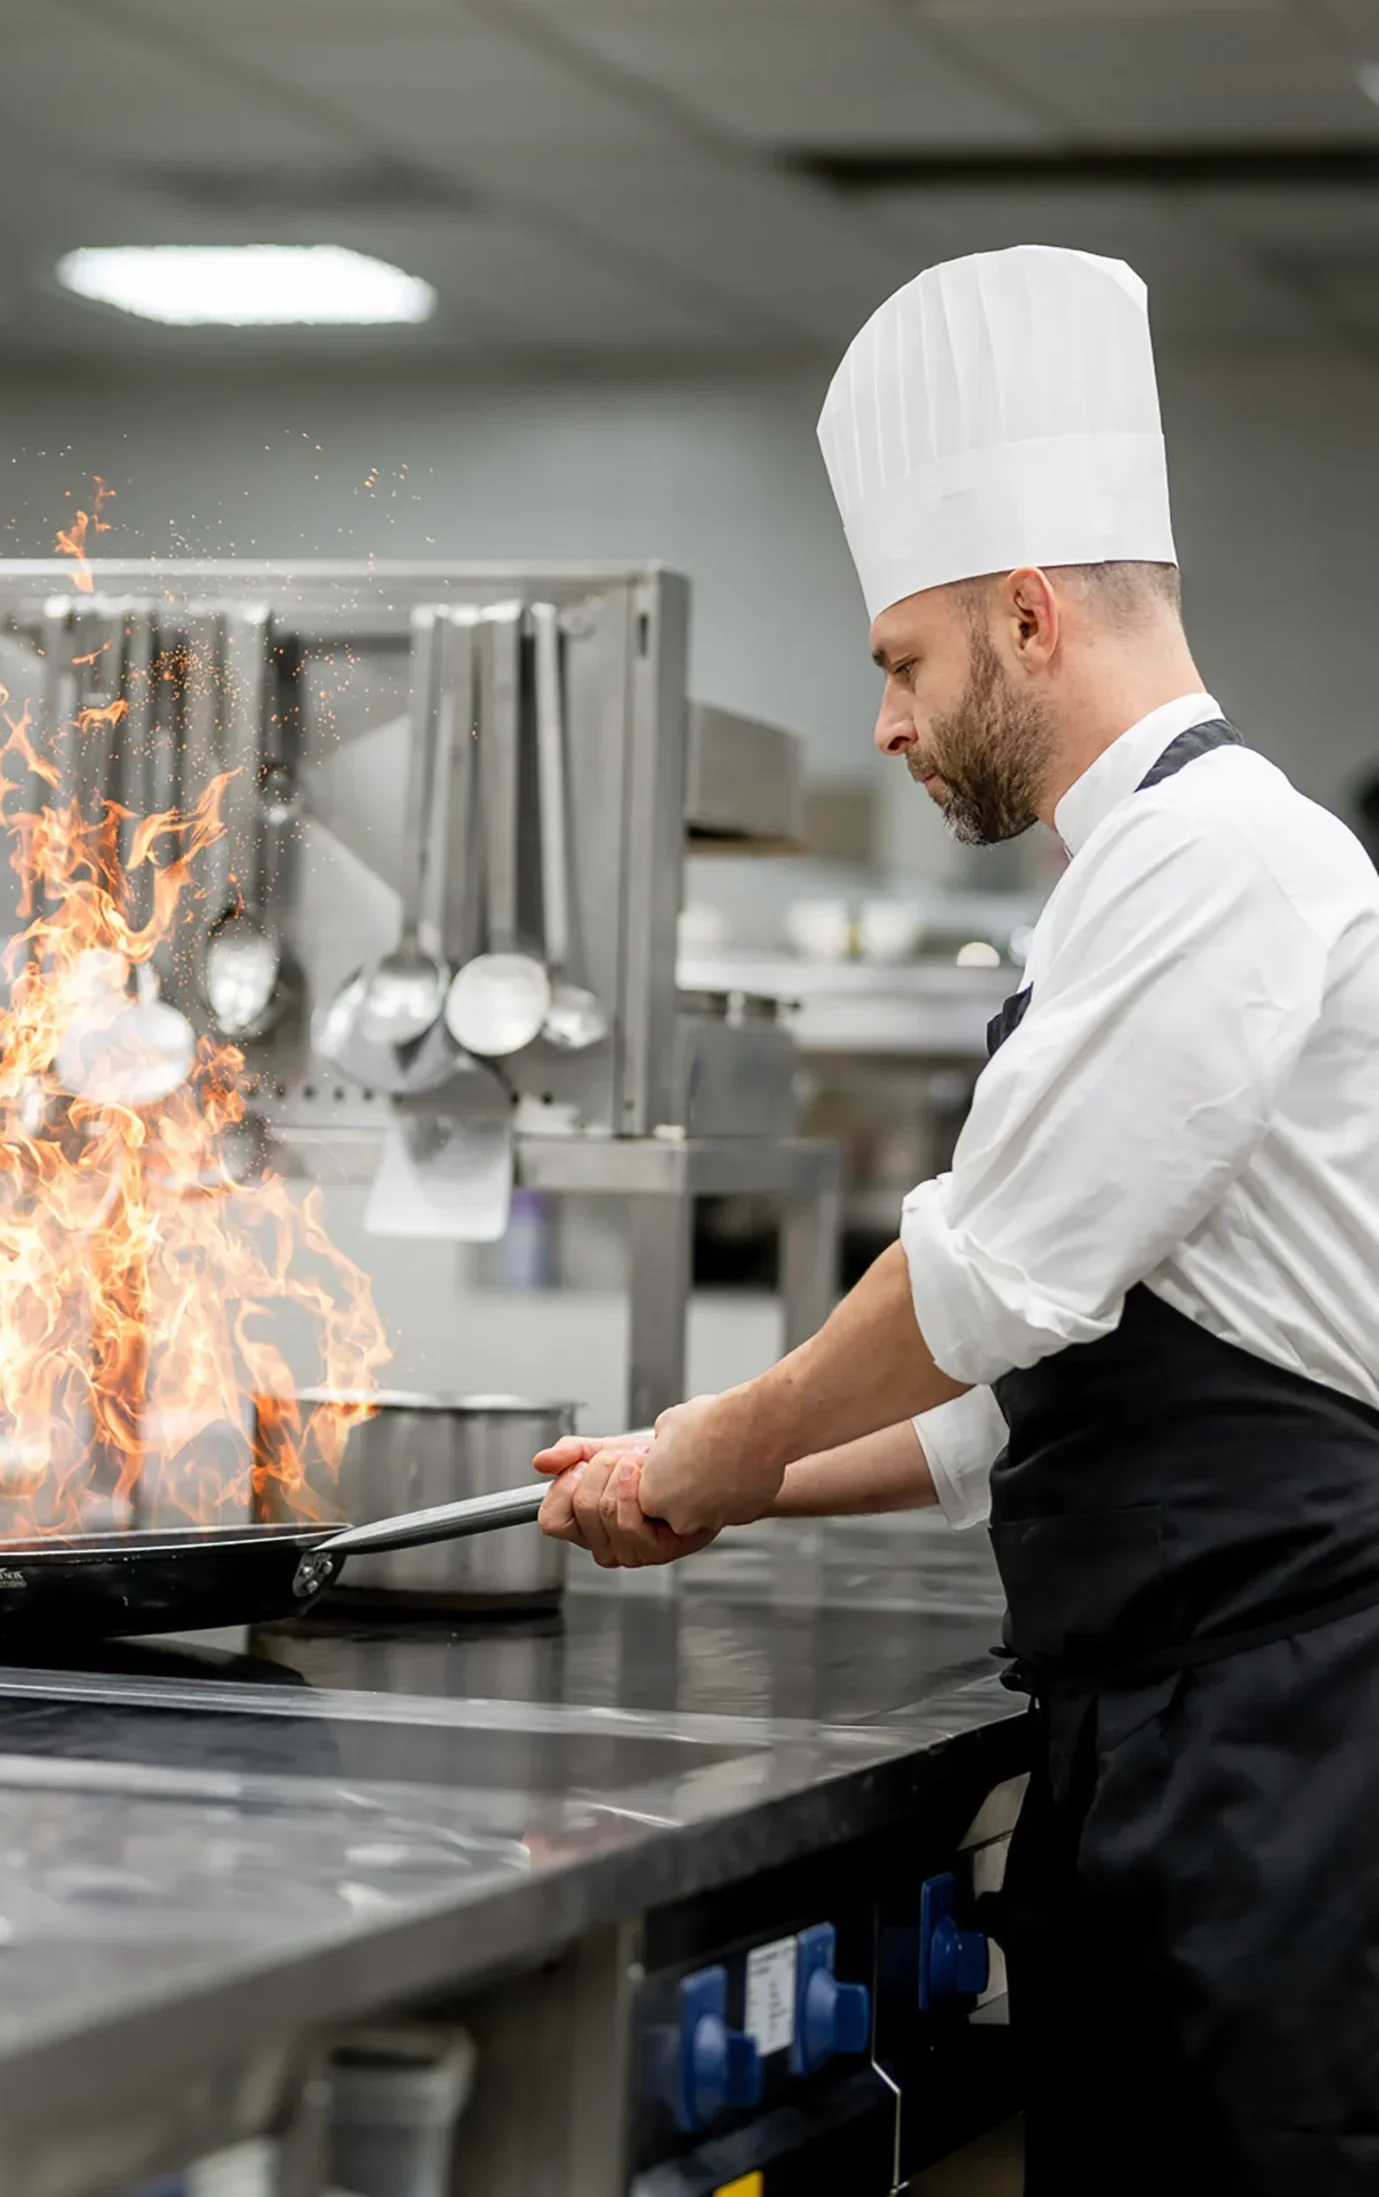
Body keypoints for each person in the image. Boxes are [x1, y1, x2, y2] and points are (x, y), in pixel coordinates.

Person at [535, 246, 1379, 2195]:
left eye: (902, 665)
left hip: (1295, 1751)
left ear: (1021, 613)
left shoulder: (1225, 862)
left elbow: (982, 1283)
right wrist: (719, 1492)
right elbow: (1013, 1404)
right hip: (1182, 1739)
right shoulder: (1118, 890)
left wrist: (704, 1443)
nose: (895, 727)